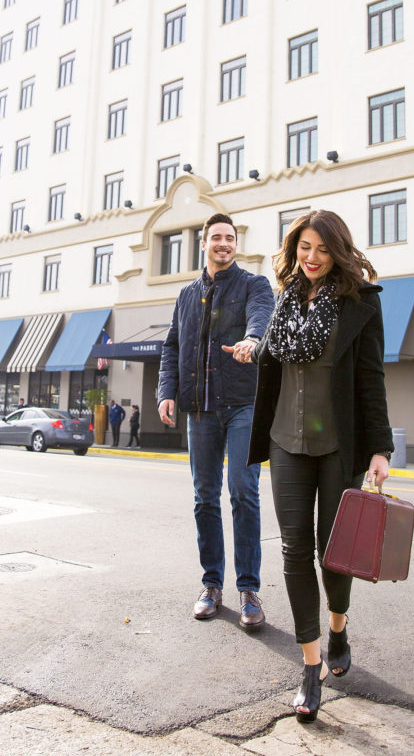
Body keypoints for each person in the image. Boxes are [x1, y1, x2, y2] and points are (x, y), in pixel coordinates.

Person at [248, 210, 394, 723]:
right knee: (293, 550)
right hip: (286, 441)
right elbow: (269, 361)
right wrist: (251, 347)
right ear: (295, 249)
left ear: (338, 252)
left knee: (335, 554)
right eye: (305, 247)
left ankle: (338, 625)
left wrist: (380, 448)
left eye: (323, 249)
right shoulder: (284, 302)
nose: (312, 258)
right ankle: (310, 666)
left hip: (337, 445)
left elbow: (371, 378)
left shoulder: (360, 305)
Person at [158, 212, 274, 629]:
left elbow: (263, 315)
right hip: (201, 410)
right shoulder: (187, 295)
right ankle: (211, 584)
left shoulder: (255, 284)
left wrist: (252, 339)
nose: (224, 243)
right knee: (204, 497)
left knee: (243, 492)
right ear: (203, 243)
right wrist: (166, 391)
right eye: (216, 237)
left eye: (230, 237)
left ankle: (248, 590)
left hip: (245, 405)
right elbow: (172, 346)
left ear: (235, 244)